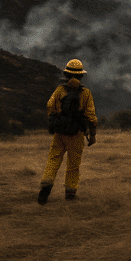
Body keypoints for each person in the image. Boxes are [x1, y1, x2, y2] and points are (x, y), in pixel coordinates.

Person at [38, 59, 97, 204]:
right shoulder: (86, 93)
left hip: (60, 134)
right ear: (81, 76)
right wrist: (92, 135)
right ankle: (70, 192)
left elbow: (49, 106)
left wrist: (55, 122)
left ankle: (46, 184)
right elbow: (91, 117)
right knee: (73, 164)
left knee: (53, 159)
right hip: (76, 134)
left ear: (66, 74)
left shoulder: (60, 90)